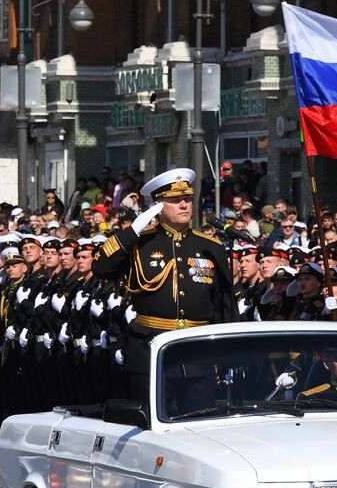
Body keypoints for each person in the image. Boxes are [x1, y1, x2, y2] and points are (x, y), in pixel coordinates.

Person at [91, 167, 235, 402]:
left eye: (187, 199)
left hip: (198, 354)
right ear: (158, 205)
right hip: (150, 351)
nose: (184, 205)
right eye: (175, 200)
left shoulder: (211, 247)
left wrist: (229, 356)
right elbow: (101, 268)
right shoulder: (140, 243)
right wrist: (132, 231)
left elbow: (224, 306)